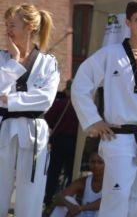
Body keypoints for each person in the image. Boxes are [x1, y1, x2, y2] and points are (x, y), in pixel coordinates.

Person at [71, 0, 137, 217]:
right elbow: (80, 84)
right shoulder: (110, 55)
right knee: (116, 198)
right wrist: (94, 120)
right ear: (128, 22)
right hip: (118, 137)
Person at [0, 3, 60, 217]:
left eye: (12, 24)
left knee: (30, 193)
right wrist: (14, 62)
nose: (7, 29)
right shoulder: (2, 59)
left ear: (30, 27)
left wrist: (9, 99)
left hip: (34, 130)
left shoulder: (47, 63)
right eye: (6, 24)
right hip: (4, 128)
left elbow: (45, 99)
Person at [44, 79, 80, 207]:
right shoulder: (81, 105)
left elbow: (48, 120)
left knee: (54, 171)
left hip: (59, 140)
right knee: (72, 172)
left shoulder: (60, 104)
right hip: (75, 142)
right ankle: (69, 200)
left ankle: (48, 199)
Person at [49, 151, 104, 217]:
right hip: (84, 215)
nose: (96, 165)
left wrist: (81, 208)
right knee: (65, 200)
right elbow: (58, 197)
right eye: (93, 162)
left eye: (100, 162)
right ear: (89, 163)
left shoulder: (111, 183)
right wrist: (70, 206)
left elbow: (105, 202)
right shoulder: (83, 181)